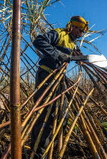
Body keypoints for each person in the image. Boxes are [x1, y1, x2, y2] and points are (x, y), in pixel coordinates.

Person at [31, 16, 89, 158]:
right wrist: (58, 54)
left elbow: (76, 54)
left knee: (62, 113)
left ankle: (54, 149)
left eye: (82, 31)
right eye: (78, 30)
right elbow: (39, 41)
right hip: (47, 75)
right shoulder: (59, 34)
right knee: (45, 114)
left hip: (59, 78)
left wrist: (83, 58)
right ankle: (39, 154)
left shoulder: (73, 43)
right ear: (71, 26)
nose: (80, 34)